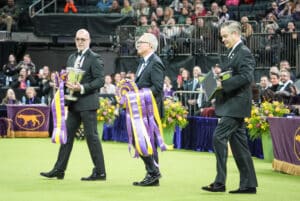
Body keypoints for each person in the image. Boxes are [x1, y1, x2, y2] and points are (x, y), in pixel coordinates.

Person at [40, 29, 106, 181]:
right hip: (74, 104)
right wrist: (61, 82)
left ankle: (100, 172)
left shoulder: (95, 58)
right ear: (75, 40)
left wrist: (81, 87)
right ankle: (59, 169)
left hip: (88, 103)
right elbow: (68, 78)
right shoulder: (71, 57)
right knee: (66, 137)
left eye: (83, 39)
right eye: (78, 39)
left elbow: (100, 81)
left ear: (89, 40)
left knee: (92, 137)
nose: (80, 41)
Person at [202, 20, 258, 194]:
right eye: (222, 36)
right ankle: (249, 184)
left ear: (235, 34)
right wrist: (218, 81)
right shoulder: (232, 53)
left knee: (219, 137)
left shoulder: (244, 52)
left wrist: (221, 85)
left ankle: (220, 182)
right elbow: (233, 76)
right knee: (240, 146)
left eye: (225, 36)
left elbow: (245, 77)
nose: (223, 39)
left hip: (236, 105)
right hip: (232, 104)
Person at [133, 32, 165, 186]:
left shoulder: (155, 62)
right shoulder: (143, 62)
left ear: (150, 46)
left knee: (144, 141)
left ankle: (153, 172)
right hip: (142, 108)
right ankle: (153, 174)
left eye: (141, 42)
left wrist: (139, 95)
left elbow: (158, 87)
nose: (138, 44)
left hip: (151, 110)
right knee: (142, 141)